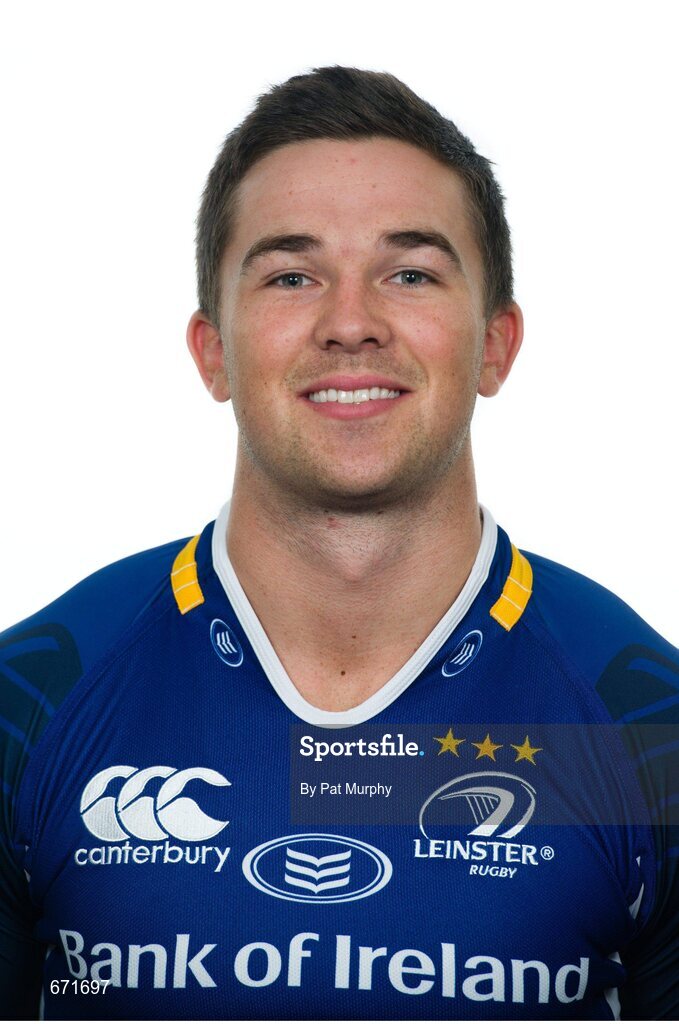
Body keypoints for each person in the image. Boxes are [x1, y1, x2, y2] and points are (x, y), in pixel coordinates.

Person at [0, 65, 676, 1021]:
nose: (350, 324)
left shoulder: (647, 721)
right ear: (213, 351)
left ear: (494, 344)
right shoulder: (29, 702)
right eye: (291, 275)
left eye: (408, 273)